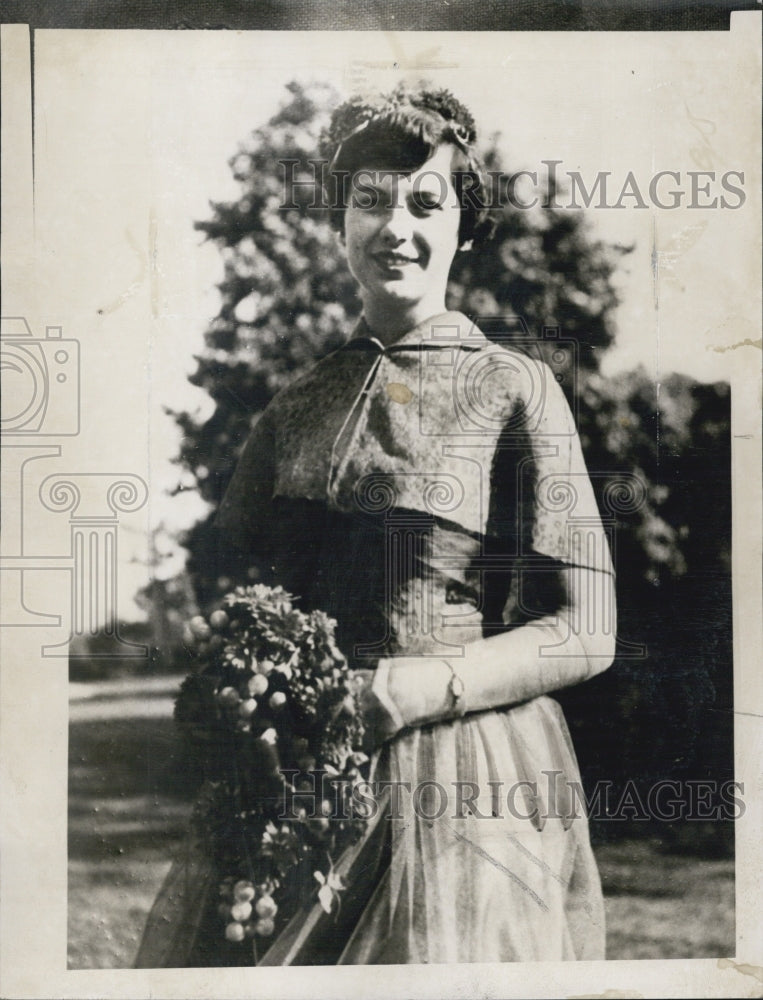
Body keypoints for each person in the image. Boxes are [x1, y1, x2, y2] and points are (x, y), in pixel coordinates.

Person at [137, 84, 616, 967]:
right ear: (337, 221)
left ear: (463, 230)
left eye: (425, 203)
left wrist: (417, 687)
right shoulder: (294, 405)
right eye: (370, 201)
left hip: (459, 775)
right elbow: (239, 599)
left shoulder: (515, 388)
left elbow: (589, 631)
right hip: (300, 780)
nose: (396, 227)